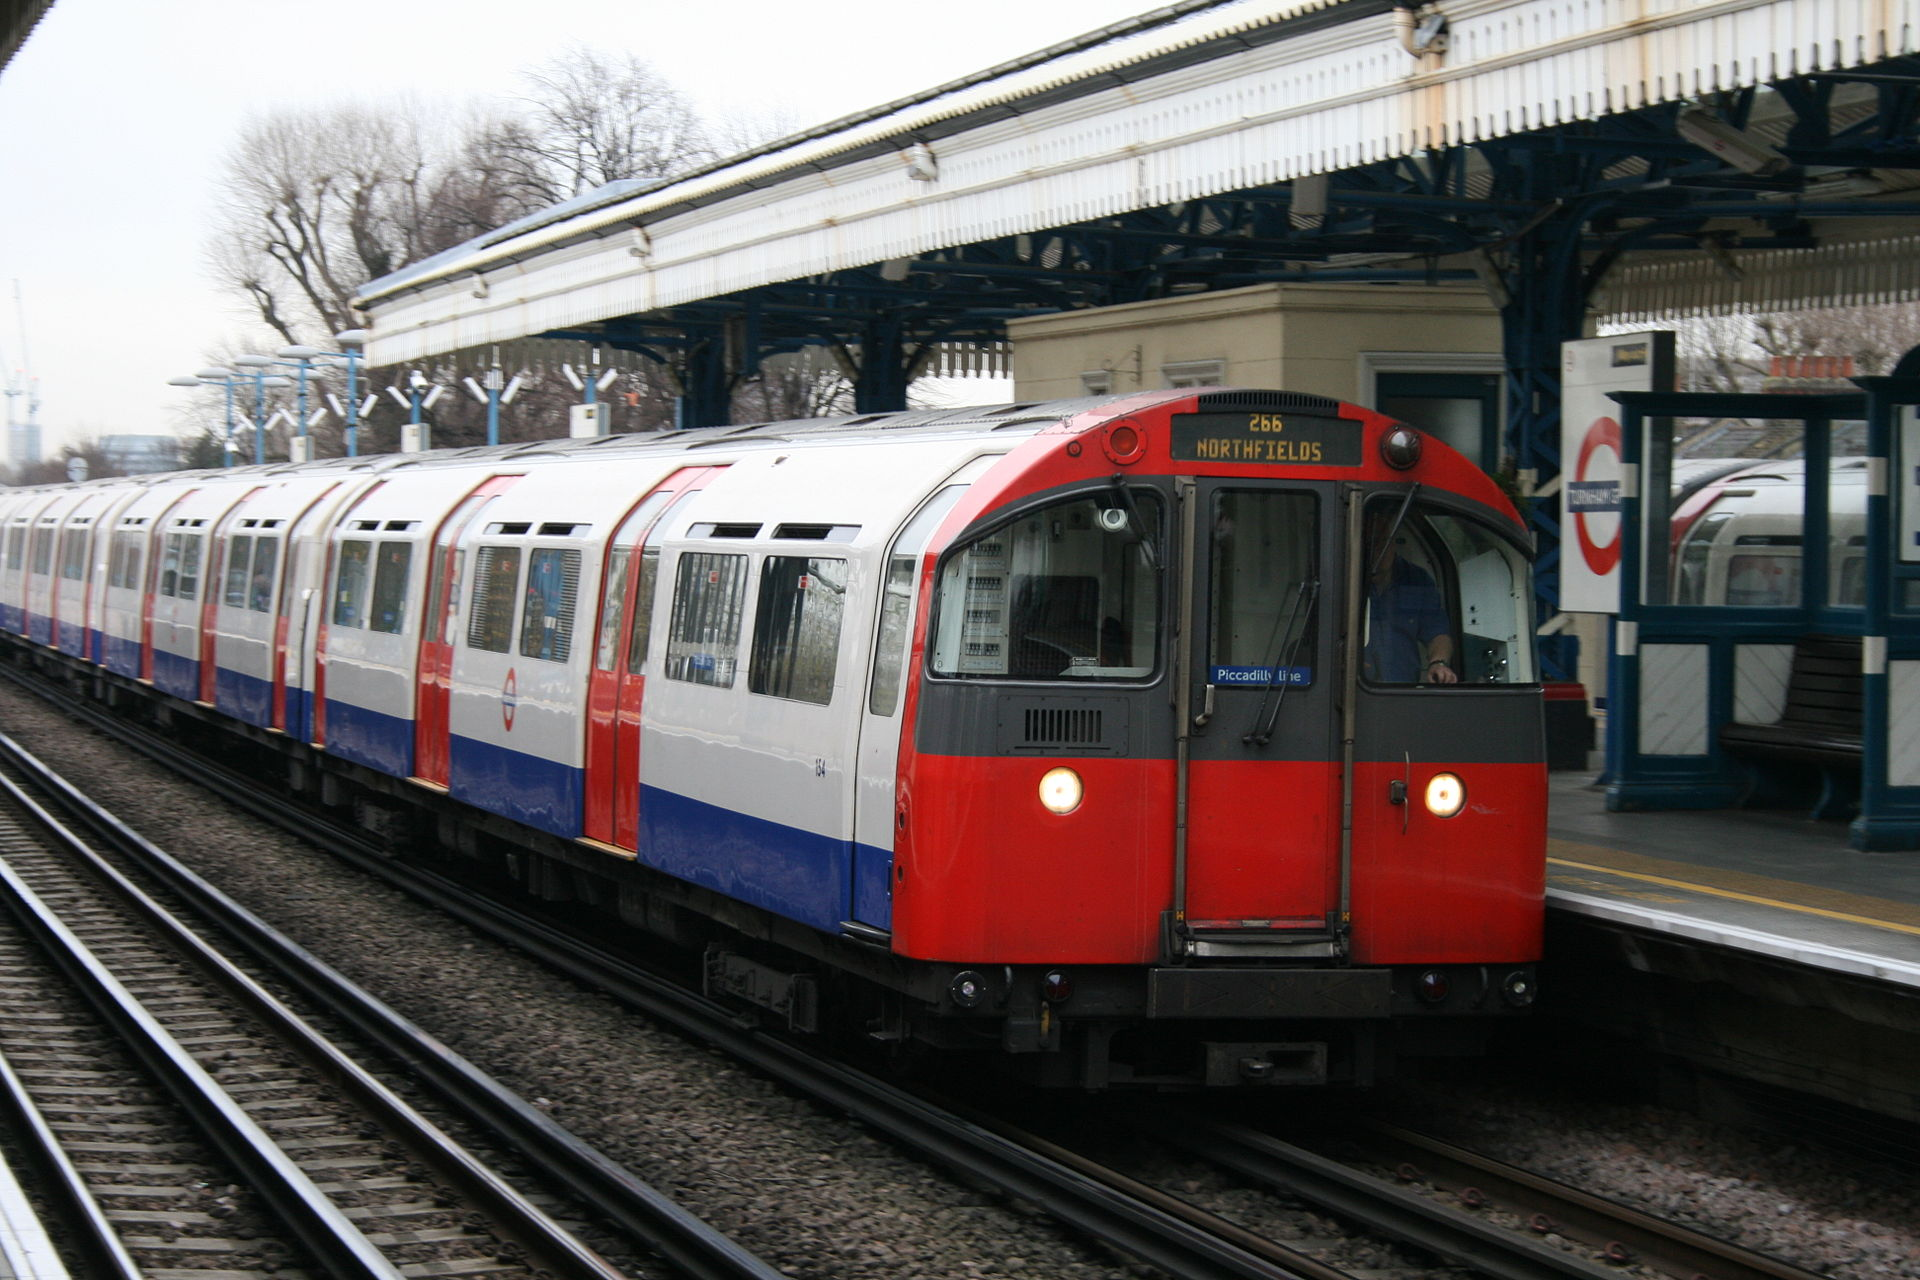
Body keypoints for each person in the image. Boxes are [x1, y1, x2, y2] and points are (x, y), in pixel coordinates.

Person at [1363, 507, 1457, 684]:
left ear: (1394, 542)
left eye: (1383, 542)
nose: (1378, 551)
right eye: (1371, 544)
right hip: (1358, 690)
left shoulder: (1417, 579)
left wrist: (1439, 663)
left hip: (1403, 691)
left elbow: (1439, 633)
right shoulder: (1347, 578)